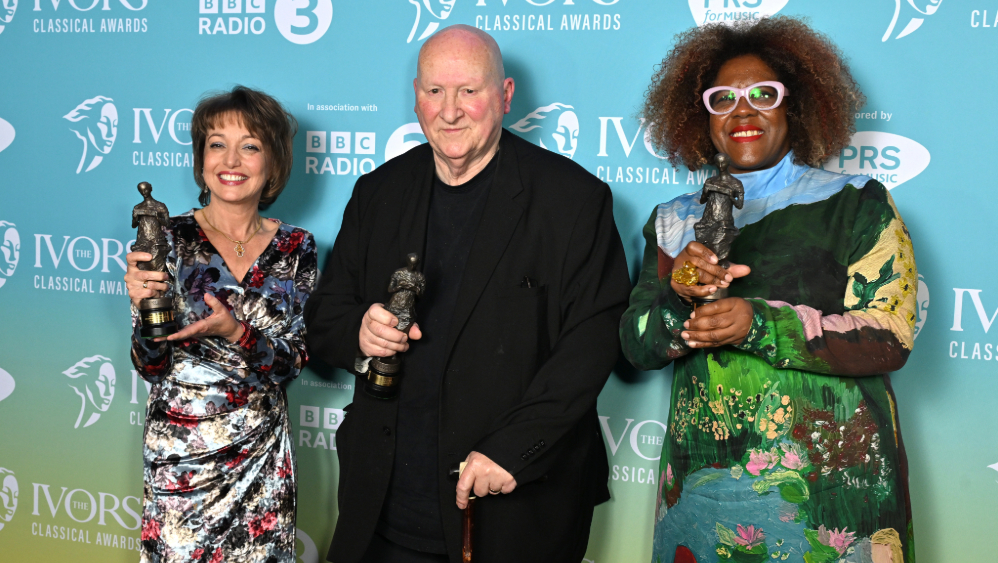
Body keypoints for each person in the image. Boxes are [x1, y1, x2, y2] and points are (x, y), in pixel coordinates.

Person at [304, 24, 630, 563]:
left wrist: (512, 452)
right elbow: (325, 320)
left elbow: (592, 343)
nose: (449, 110)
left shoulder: (573, 200)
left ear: (503, 96)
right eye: (434, 92)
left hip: (514, 503)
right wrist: (359, 330)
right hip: (383, 508)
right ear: (416, 97)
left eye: (468, 91)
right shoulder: (377, 193)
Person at [620, 17, 917, 563]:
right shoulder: (673, 222)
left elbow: (892, 335)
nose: (742, 110)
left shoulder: (857, 201)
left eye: (763, 94)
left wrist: (760, 323)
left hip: (832, 496)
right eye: (722, 98)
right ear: (699, 115)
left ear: (794, 107)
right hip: (701, 490)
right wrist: (678, 296)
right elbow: (637, 346)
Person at [125, 86, 317, 563]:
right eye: (217, 143)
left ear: (273, 162)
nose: (231, 159)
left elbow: (291, 364)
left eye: (250, 145)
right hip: (181, 463)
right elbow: (151, 366)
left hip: (261, 462)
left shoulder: (297, 247)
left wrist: (236, 332)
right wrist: (145, 309)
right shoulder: (164, 237)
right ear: (201, 158)